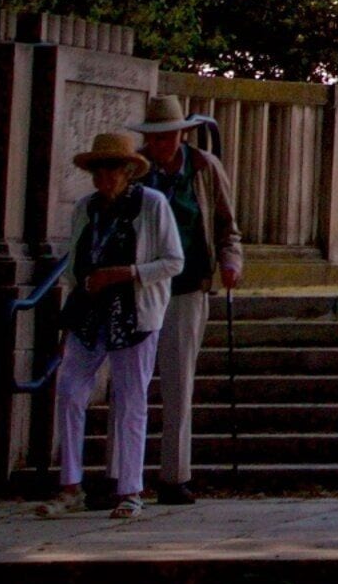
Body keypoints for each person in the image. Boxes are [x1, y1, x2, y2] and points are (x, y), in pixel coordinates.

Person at [40, 130, 182, 517]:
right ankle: (70, 485)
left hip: (134, 313)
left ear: (128, 172)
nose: (105, 177)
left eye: (113, 169)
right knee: (69, 389)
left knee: (130, 398)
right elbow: (73, 264)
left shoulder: (151, 205)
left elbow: (173, 261)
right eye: (99, 170)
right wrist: (84, 286)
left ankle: (130, 490)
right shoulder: (87, 208)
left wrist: (127, 273)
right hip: (90, 312)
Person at [137, 96, 244, 506]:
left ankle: (174, 475)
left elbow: (226, 226)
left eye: (168, 135)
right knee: (132, 383)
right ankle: (121, 475)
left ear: (181, 132)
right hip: (141, 286)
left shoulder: (203, 167)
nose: (161, 143)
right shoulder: (136, 170)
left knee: (179, 381)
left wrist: (231, 262)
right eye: (154, 136)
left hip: (187, 285)